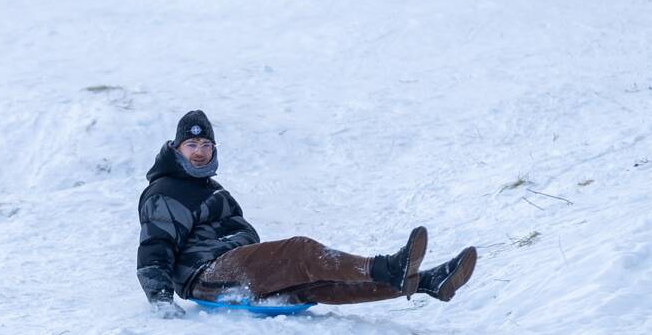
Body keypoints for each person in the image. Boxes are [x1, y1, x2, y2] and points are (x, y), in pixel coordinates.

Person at [136, 110, 477, 318]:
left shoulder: (212, 189)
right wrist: (161, 299)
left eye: (205, 145)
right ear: (177, 148)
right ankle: (388, 266)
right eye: (191, 145)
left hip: (232, 266)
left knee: (313, 284)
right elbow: (155, 247)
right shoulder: (166, 191)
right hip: (206, 273)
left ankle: (425, 283)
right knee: (298, 251)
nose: (199, 152)